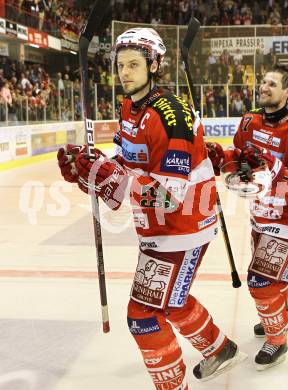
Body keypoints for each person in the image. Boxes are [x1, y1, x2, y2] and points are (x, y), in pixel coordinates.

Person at [57, 27, 245, 389]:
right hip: (161, 224)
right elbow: (129, 163)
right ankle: (219, 349)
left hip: (184, 223)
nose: (123, 72)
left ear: (154, 65)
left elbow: (168, 194)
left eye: (133, 64)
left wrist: (110, 175)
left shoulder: (170, 114)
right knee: (172, 301)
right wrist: (92, 168)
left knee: (143, 315)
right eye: (120, 65)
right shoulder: (130, 106)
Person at [207, 65, 288, 370]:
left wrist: (274, 172)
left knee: (261, 282)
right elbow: (239, 157)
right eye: (263, 82)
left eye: (272, 84)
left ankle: (277, 341)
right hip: (260, 214)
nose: (264, 86)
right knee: (272, 277)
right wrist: (220, 158)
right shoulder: (250, 120)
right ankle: (283, 314)